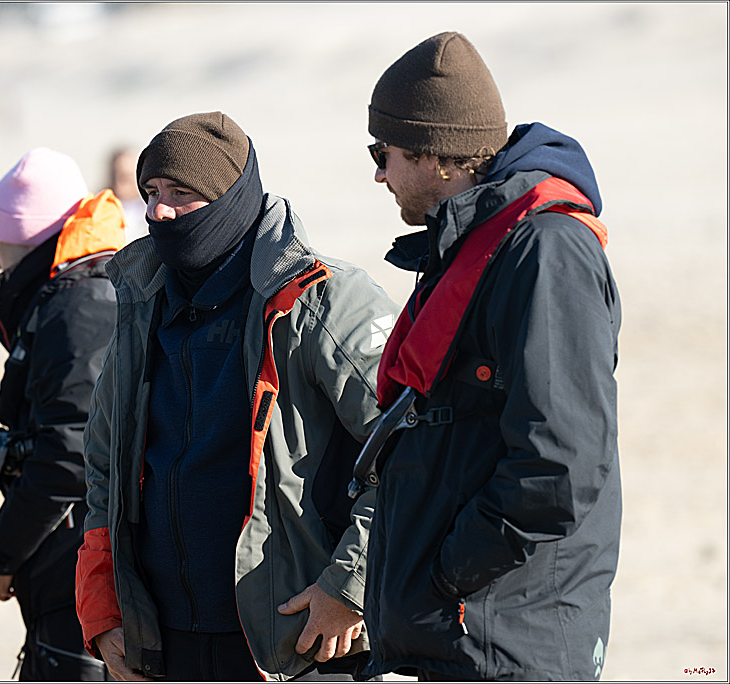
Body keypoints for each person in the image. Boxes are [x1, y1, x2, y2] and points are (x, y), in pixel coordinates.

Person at [74, 112, 401, 681]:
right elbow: (105, 467)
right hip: (163, 643)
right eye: (151, 192)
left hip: (296, 644)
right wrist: (102, 604)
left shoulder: (318, 301)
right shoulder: (142, 304)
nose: (158, 211)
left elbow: (414, 452)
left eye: (181, 193)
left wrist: (350, 587)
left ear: (230, 200)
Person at [360, 32, 622, 681]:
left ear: (434, 155)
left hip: (507, 634)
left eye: (383, 152)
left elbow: (558, 466)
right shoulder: (479, 241)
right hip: (470, 632)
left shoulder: (545, 251)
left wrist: (449, 573)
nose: (378, 174)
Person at [0, 147, 125, 681]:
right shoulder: (76, 291)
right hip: (66, 552)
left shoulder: (82, 303)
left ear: (27, 238)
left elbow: (68, 457)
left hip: (81, 557)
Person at [108, 147, 149, 243]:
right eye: (116, 175)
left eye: (127, 177)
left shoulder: (153, 210)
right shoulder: (100, 210)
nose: (119, 182)